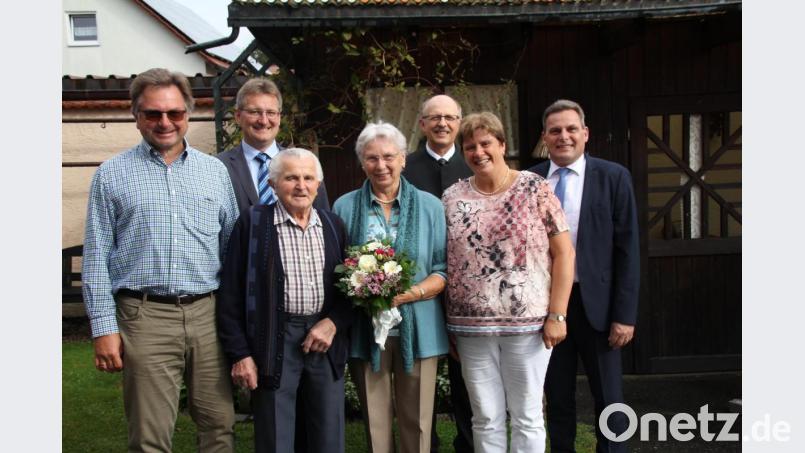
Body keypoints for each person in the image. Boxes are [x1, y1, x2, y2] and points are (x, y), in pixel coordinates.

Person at [82, 67, 239, 452]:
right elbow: (96, 256)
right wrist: (104, 328)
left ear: (189, 113)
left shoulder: (215, 173)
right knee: (150, 436)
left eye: (175, 113)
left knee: (219, 425)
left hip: (208, 315)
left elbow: (233, 249)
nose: (164, 122)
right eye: (152, 113)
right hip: (144, 317)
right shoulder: (112, 175)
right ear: (135, 116)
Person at [442, 112, 575, 453]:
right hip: (470, 329)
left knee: (527, 415)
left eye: (486, 143)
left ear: (502, 145)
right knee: (484, 416)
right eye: (470, 146)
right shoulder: (452, 198)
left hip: (528, 325)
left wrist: (557, 315)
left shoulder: (534, 187)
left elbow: (564, 254)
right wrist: (450, 327)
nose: (478, 151)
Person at [216, 148, 354, 453]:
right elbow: (230, 295)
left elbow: (350, 291)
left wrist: (332, 323)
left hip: (324, 341)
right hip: (272, 340)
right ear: (274, 183)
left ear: (319, 184)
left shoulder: (333, 226)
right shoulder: (253, 224)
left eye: (308, 178)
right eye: (291, 178)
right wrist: (240, 353)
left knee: (328, 436)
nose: (301, 186)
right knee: (276, 437)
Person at [528, 99, 640, 453]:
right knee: (557, 397)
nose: (564, 136)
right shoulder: (528, 181)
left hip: (600, 308)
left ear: (585, 134)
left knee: (609, 399)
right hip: (546, 307)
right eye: (555, 130)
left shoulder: (613, 177)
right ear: (544, 136)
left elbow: (627, 250)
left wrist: (624, 315)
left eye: (571, 129)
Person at [333, 122, 449, 453]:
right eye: (371, 158)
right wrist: (362, 289)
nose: (380, 165)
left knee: (419, 422)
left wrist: (410, 293)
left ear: (403, 159)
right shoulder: (344, 207)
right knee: (376, 420)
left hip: (421, 327)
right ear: (361, 162)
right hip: (365, 329)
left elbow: (441, 268)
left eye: (388, 156)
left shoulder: (430, 206)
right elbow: (338, 269)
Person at [402, 94, 474, 453]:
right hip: (419, 291)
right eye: (435, 118)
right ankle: (424, 445)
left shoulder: (474, 165)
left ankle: (468, 444)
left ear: (459, 122)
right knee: (419, 380)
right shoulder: (404, 168)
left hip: (466, 294)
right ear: (422, 124)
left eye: (450, 117)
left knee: (467, 381)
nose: (443, 123)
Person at [218, 77, 330, 212]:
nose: (264, 121)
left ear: (279, 117)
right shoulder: (219, 166)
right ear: (238, 116)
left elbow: (323, 219)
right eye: (255, 112)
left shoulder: (306, 165)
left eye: (271, 113)